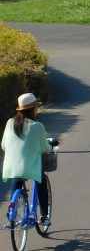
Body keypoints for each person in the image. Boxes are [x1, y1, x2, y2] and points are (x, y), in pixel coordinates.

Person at [2, 93, 53, 227]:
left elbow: (3, 145)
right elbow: (44, 147)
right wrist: (50, 146)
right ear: (32, 109)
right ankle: (44, 216)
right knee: (41, 181)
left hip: (10, 166)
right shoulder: (37, 126)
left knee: (17, 179)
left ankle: (12, 212)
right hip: (30, 166)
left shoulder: (9, 123)